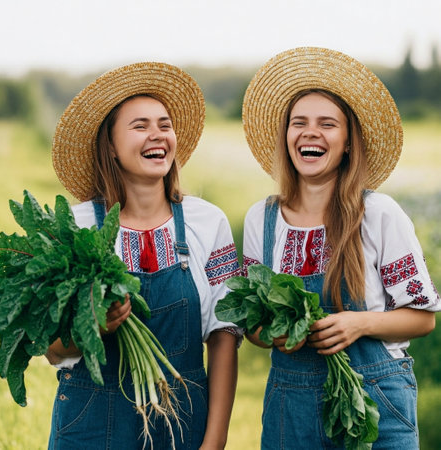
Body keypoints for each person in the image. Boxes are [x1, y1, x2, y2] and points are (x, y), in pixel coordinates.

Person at [241, 47, 440, 449]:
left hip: (376, 398)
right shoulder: (261, 220)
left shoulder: (379, 214)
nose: (311, 132)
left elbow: (422, 318)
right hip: (290, 406)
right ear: (286, 138)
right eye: (299, 123)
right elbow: (253, 326)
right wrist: (275, 334)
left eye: (327, 124)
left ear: (348, 142)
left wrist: (359, 323)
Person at [45, 62, 242, 449]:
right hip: (90, 421)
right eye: (140, 126)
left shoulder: (208, 222)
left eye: (164, 125)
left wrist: (215, 440)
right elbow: (53, 348)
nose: (158, 135)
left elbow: (224, 336)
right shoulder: (75, 227)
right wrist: (94, 327)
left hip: (182, 419)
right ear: (112, 148)